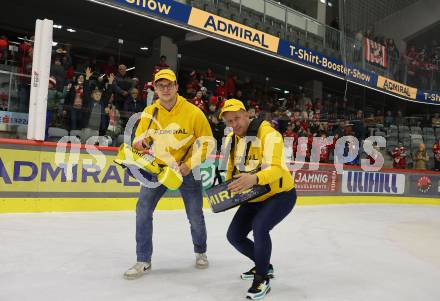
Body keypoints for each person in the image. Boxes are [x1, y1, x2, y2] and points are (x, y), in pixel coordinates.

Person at [123, 69, 213, 280]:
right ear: (155, 88)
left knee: (195, 215)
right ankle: (143, 260)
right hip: (159, 170)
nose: (165, 89)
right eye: (160, 85)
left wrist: (189, 165)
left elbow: (208, 143)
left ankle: (200, 251)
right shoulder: (149, 112)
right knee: (143, 210)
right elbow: (139, 140)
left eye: (169, 85)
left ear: (176, 87)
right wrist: (141, 143)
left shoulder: (193, 112)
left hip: (187, 170)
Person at [219, 99, 296, 300]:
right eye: (229, 121)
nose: (234, 124)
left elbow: (277, 169)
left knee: (260, 227)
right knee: (234, 236)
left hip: (281, 195)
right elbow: (229, 168)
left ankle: (262, 278)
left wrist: (254, 178)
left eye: (237, 118)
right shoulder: (230, 139)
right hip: (253, 195)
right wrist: (229, 186)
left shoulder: (269, 134)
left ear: (247, 114)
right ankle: (264, 265)